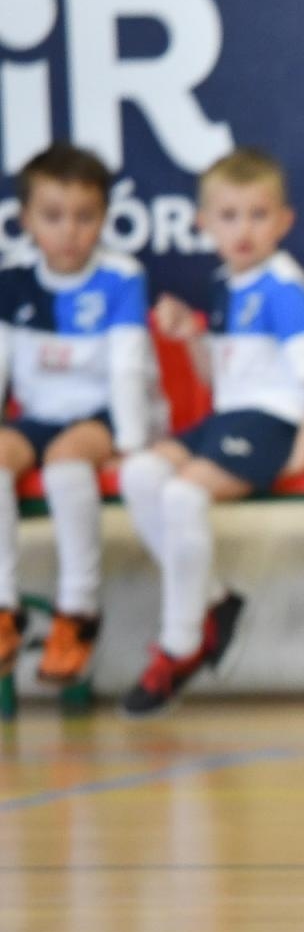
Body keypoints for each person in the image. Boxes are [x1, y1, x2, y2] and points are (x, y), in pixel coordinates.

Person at [117, 147, 304, 715]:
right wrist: (190, 336)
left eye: (257, 214)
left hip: (277, 423)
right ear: (203, 225)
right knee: (140, 473)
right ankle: (214, 601)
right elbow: (217, 380)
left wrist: (303, 450)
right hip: (233, 418)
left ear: (283, 222)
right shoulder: (225, 285)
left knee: (182, 492)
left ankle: (180, 642)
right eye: (229, 215)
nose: (243, 229)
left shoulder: (281, 288)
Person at [0, 143, 155, 685]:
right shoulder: (13, 279)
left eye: (85, 217)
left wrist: (132, 440)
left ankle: (78, 611)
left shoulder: (122, 277)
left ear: (104, 219)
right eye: (52, 216)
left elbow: (129, 366)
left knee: (68, 461)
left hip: (101, 415)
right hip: (37, 417)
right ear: (25, 220)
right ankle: (4, 606)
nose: (69, 231)